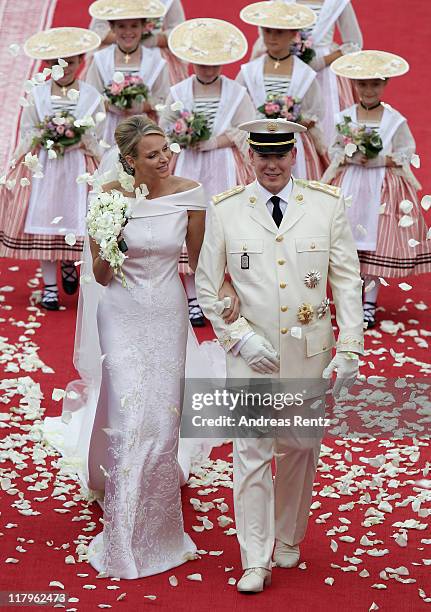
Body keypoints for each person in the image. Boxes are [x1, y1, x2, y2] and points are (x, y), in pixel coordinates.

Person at [43, 115, 237, 579]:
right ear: (130, 161)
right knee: (131, 415)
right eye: (153, 155)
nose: (165, 158)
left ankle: (160, 520)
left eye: (166, 150)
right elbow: (102, 274)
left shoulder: (190, 192)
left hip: (167, 310)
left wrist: (225, 302)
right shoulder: (107, 196)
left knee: (163, 416)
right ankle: (123, 533)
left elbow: (201, 261)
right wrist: (112, 238)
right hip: (121, 312)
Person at [195, 118, 364, 593]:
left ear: (294, 156)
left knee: (301, 448)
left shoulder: (325, 205)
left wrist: (350, 346)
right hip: (251, 355)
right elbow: (208, 283)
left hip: (309, 351)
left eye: (280, 155)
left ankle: (288, 536)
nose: (272, 164)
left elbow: (347, 279)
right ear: (250, 158)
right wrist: (237, 337)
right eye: (262, 156)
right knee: (250, 452)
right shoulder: (226, 209)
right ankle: (255, 559)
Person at [322, 51, 431, 328]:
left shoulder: (394, 119)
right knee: (346, 241)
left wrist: (381, 159)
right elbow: (332, 147)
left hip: (380, 189)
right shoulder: (344, 117)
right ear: (355, 86)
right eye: (363, 84)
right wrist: (348, 156)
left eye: (375, 84)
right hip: (349, 184)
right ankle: (348, 299)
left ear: (385, 85)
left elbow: (407, 151)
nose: (368, 90)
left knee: (374, 242)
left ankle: (369, 302)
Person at [160, 18, 256, 327]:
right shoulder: (177, 91)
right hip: (186, 165)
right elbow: (164, 132)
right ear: (191, 61)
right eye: (201, 62)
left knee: (225, 225)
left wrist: (216, 140)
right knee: (185, 225)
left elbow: (246, 130)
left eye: (214, 63)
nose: (207, 68)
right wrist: (181, 137)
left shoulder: (237, 93)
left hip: (225, 166)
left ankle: (228, 291)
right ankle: (193, 297)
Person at [0, 27, 104, 310]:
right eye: (56, 63)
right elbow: (28, 129)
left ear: (81, 61)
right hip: (46, 166)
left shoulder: (92, 96)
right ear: (46, 65)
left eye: (70, 62)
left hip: (78, 166)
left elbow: (98, 133)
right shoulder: (38, 94)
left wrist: (77, 137)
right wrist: (35, 145)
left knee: (76, 217)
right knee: (45, 219)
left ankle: (70, 262)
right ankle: (49, 286)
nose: (64, 68)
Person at [250, 0, 363, 146]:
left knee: (322, 120)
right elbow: (267, 34)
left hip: (325, 75)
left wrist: (321, 62)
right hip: (285, 68)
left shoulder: (338, 2)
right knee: (279, 117)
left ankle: (314, 161)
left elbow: (354, 44)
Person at [237, 1, 328, 180]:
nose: (272, 38)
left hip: (294, 146)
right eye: (267, 31)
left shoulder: (305, 73)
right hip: (258, 143)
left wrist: (296, 119)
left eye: (279, 32)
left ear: (293, 34)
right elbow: (237, 105)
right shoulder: (250, 71)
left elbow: (316, 112)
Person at [86, 0, 170, 146]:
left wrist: (142, 107)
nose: (128, 32)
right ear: (112, 27)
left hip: (144, 131)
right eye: (121, 26)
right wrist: (111, 105)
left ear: (144, 27)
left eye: (134, 26)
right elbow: (90, 97)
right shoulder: (100, 59)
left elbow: (163, 99)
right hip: (108, 131)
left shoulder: (156, 61)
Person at [89, 0, 188, 84]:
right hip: (114, 51)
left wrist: (153, 40)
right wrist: (125, 39)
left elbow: (178, 32)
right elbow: (97, 31)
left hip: (155, 52)